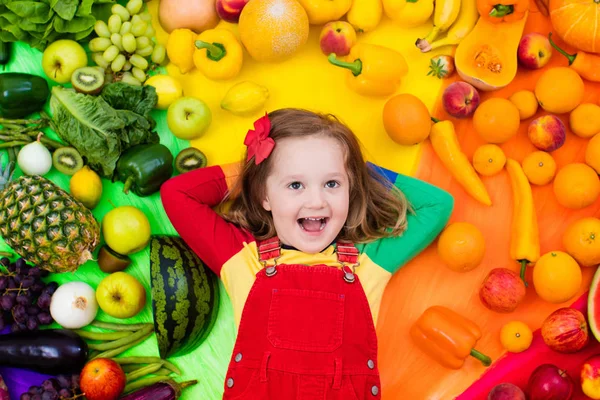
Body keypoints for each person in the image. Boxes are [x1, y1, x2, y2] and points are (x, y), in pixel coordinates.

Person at [161, 108, 454, 399]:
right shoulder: (243, 260)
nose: (316, 201)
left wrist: (351, 165)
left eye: (332, 183)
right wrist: (257, 167)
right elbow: (177, 194)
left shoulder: (369, 263)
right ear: (264, 194)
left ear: (350, 190)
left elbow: (438, 204)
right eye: (295, 184)